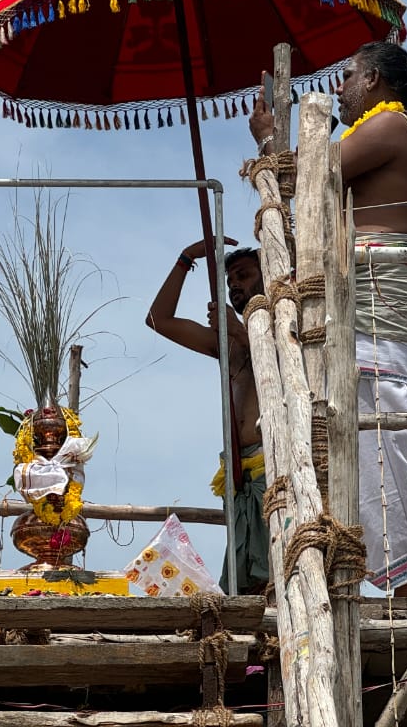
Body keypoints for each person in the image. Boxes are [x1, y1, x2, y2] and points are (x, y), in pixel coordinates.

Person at [250, 42, 407, 595]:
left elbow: (310, 177)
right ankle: (392, 589)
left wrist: (268, 142)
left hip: (380, 304)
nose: (339, 87)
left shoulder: (393, 127)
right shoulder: (383, 130)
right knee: (360, 435)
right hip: (366, 302)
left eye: (348, 75)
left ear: (375, 78)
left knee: (384, 437)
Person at [145, 238, 269, 593]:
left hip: (274, 466)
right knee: (244, 579)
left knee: (276, 570)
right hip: (239, 473)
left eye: (243, 276)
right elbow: (158, 319)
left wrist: (239, 331)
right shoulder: (225, 344)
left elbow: (279, 364)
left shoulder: (288, 326)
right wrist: (186, 258)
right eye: (230, 281)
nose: (235, 286)